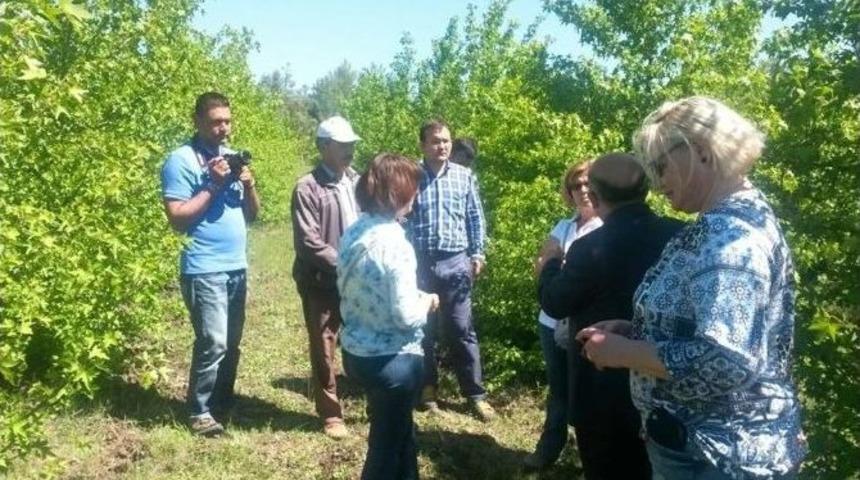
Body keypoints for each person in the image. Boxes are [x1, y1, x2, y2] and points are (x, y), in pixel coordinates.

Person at [576, 97, 807, 479]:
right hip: (708, 448)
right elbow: (714, 330)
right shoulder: (728, 220)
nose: (655, 180)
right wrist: (638, 331)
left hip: (716, 456)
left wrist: (627, 352)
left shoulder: (730, 238)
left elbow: (727, 361)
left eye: (660, 165)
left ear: (700, 151)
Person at [538, 153, 684, 479]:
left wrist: (549, 263)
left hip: (601, 391)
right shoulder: (680, 235)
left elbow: (555, 303)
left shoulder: (589, 248)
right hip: (668, 389)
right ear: (646, 190)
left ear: (597, 196)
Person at [161, 91, 261, 437]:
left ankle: (222, 402)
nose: (224, 128)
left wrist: (248, 186)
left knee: (231, 342)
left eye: (228, 121)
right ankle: (199, 410)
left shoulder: (233, 158)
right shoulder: (181, 160)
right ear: (198, 122)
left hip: (236, 265)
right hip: (203, 266)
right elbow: (177, 218)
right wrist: (214, 185)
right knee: (213, 342)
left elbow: (252, 215)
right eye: (216, 121)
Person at [338, 153, 440, 480]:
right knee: (384, 449)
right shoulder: (395, 243)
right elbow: (405, 314)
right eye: (414, 189)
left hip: (357, 352)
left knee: (400, 435)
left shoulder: (354, 231)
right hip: (393, 361)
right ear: (399, 193)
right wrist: (427, 302)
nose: (418, 196)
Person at [406, 119, 494, 421]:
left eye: (445, 141)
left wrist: (478, 253)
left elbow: (474, 217)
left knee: (461, 329)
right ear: (422, 145)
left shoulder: (464, 176)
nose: (441, 146)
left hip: (456, 261)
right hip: (419, 263)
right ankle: (427, 390)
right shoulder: (411, 176)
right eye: (435, 141)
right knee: (423, 329)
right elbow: (401, 217)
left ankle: (475, 394)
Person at [524, 161, 603, 470]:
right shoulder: (564, 225)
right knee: (558, 390)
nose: (582, 190)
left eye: (587, 183)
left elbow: (557, 267)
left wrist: (560, 265)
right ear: (568, 192)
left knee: (591, 393)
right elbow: (540, 266)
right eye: (576, 185)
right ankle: (548, 450)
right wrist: (559, 267)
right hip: (551, 321)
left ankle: (590, 459)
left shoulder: (608, 227)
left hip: (589, 325)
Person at [291, 115, 361, 439]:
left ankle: (367, 395)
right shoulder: (308, 188)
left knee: (362, 336)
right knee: (324, 343)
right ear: (323, 147)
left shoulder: (356, 181)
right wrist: (348, 263)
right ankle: (331, 414)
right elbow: (309, 243)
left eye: (352, 144)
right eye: (343, 145)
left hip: (356, 279)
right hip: (321, 280)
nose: (350, 150)